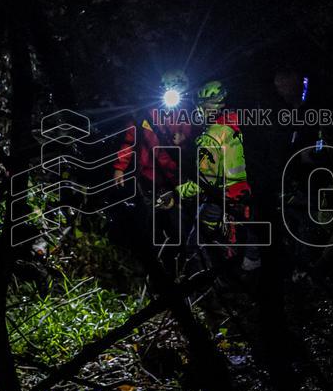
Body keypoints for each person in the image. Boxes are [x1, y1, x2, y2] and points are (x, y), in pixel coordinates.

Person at [175, 80, 262, 273]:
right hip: (245, 193)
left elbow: (205, 182)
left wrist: (176, 193)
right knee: (243, 245)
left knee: (195, 243)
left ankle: (209, 285)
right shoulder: (236, 123)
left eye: (200, 106)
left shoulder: (212, 136)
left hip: (223, 198)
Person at [112, 69, 193, 249]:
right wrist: (119, 167)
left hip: (173, 178)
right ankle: (150, 251)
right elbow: (129, 140)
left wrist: (183, 138)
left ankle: (183, 253)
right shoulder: (144, 114)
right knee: (148, 219)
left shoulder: (184, 113)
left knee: (177, 220)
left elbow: (190, 135)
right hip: (147, 177)